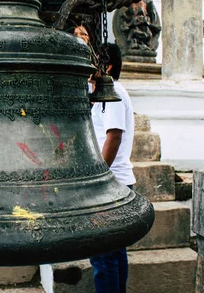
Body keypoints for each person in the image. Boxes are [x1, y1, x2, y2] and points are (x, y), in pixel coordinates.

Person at [89, 43, 135, 293]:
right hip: (114, 181)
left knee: (103, 255)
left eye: (94, 60)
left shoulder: (113, 91)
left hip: (111, 181)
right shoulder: (102, 93)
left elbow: (114, 136)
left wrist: (99, 177)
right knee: (113, 252)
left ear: (106, 67)